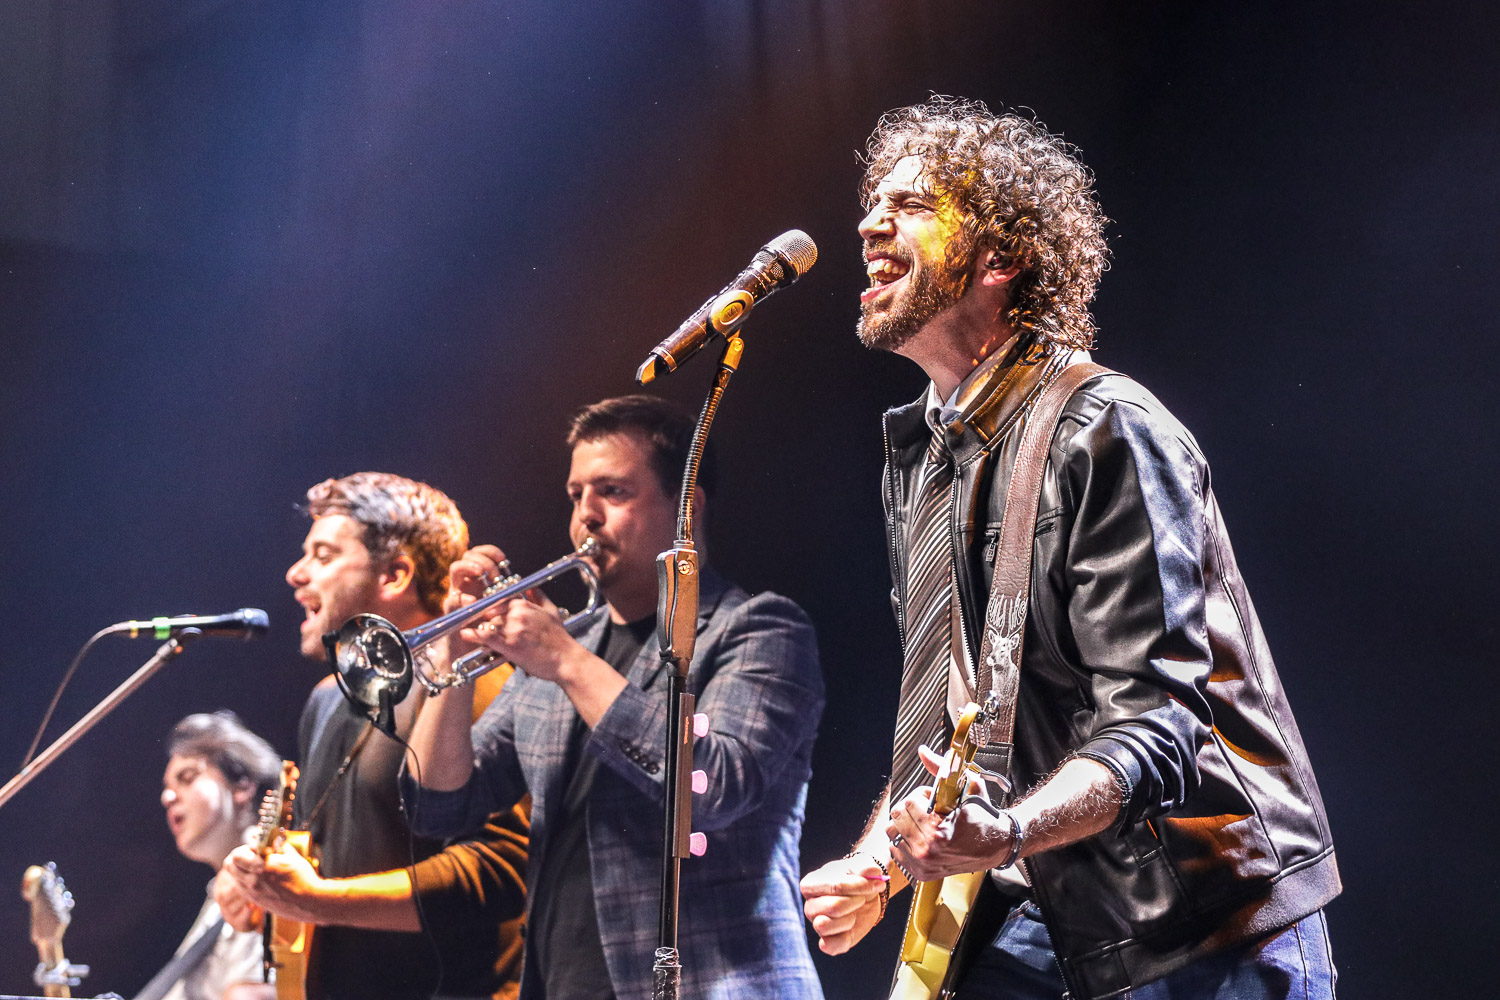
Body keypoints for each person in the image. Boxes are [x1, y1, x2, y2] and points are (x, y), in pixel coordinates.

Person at [800, 97, 1340, 1000]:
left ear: (999, 258)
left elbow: (1155, 722)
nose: (869, 224)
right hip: (1045, 907)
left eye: (912, 204)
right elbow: (955, 709)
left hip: (1193, 925)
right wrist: (881, 862)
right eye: (873, 203)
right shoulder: (927, 456)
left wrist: (1006, 834)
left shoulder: (1108, 430)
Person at [402, 395, 826, 1000]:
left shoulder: (759, 629)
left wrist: (567, 662)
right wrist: (452, 653)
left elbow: (713, 788)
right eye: (576, 495)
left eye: (613, 492)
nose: (586, 516)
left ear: (686, 508)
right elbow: (438, 808)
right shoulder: (563, 648)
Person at [217, 472, 527, 1000]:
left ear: (396, 574)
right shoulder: (326, 699)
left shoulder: (472, 682)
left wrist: (318, 901)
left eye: (324, 555)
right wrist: (261, 887)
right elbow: (322, 862)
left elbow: (498, 871)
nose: (296, 573)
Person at [154, 711, 280, 1000]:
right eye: (167, 787)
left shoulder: (270, 873)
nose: (167, 797)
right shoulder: (217, 897)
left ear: (242, 784)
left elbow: (261, 994)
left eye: (187, 778)